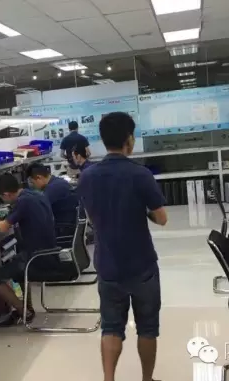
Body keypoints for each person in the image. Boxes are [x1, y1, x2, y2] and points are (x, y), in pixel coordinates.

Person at [77, 112, 167, 381]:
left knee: (111, 327)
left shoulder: (87, 176)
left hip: (107, 264)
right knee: (147, 328)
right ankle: (147, 379)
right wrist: (143, 212)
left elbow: (92, 216)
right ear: (130, 139)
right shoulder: (140, 174)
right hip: (141, 264)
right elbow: (162, 218)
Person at [0, 173, 58, 327]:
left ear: (6, 194)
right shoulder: (36, 194)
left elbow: (3, 227)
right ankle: (27, 308)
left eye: (1, 197)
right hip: (50, 252)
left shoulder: (23, 202)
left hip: (37, 259)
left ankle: (23, 311)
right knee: (17, 261)